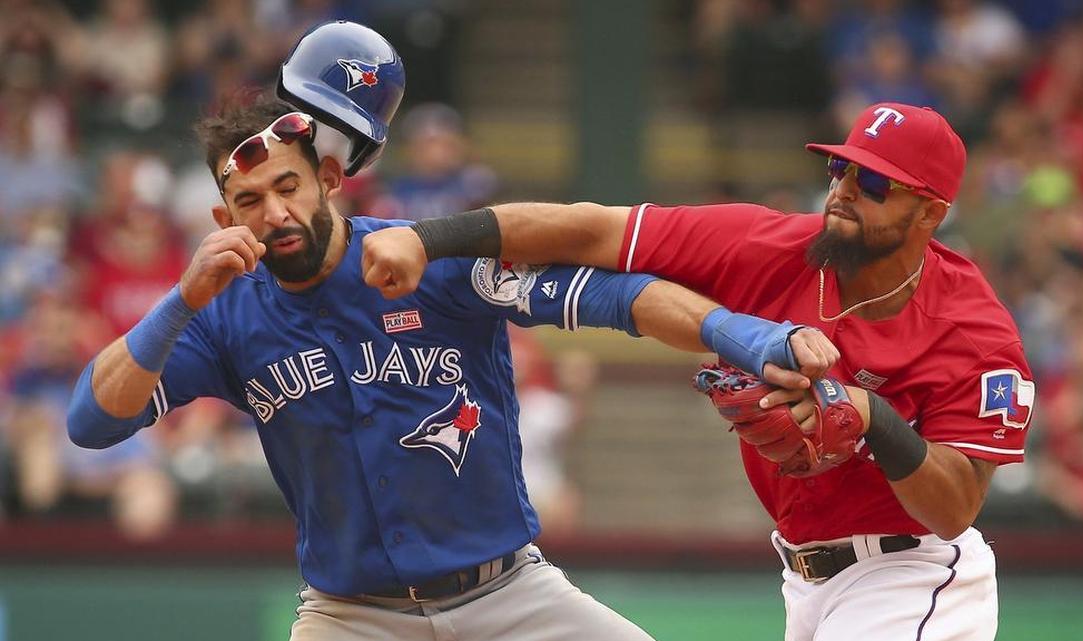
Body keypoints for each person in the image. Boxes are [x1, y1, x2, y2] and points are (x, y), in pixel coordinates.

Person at [66, 21, 841, 641]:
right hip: (351, 614)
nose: (272, 213)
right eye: (247, 201)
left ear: (329, 180)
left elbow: (620, 299)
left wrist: (751, 338)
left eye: (288, 186)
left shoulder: (422, 258)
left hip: (510, 595)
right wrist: (181, 299)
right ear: (221, 218)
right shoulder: (221, 315)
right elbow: (92, 421)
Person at [362, 102, 1035, 641]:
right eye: (840, 170)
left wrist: (871, 416)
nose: (845, 192)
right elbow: (592, 230)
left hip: (912, 575)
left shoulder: (972, 330)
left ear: (931, 212)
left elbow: (954, 509)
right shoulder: (767, 247)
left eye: (875, 183)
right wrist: (429, 238)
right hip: (806, 578)